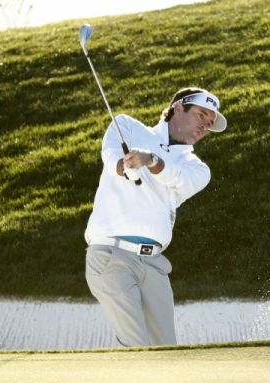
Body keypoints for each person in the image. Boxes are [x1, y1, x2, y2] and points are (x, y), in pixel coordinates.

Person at [84, 87, 226, 347]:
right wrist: (125, 166)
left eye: (209, 123)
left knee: (166, 350)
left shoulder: (197, 168)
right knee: (137, 346)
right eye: (201, 115)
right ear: (177, 108)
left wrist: (151, 160)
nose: (204, 126)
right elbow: (111, 157)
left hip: (154, 264)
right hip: (110, 256)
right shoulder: (127, 126)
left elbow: (177, 178)